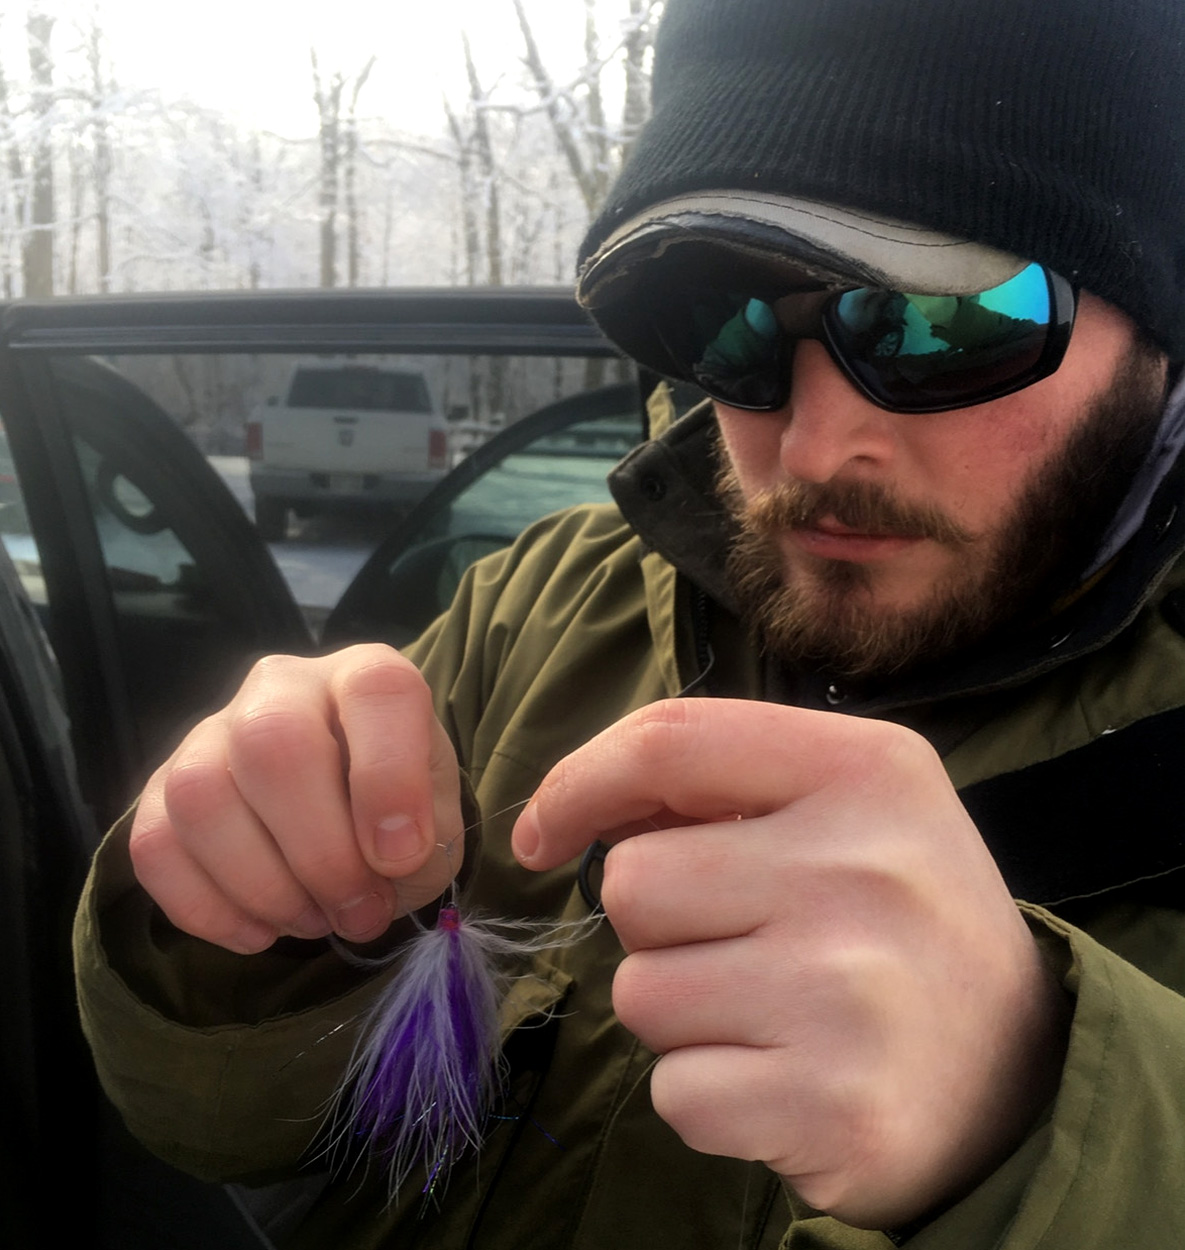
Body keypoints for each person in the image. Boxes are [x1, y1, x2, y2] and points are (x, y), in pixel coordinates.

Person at [74, 0, 1185, 1245]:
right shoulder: (549, 598)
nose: (814, 449)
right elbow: (260, 1133)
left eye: (940, 323)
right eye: (730, 328)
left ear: (1159, 317)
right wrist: (237, 933)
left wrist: (1038, 1126)